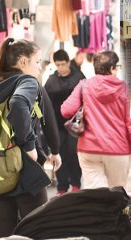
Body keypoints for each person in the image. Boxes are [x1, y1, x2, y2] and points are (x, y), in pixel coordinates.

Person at [0, 38, 60, 238]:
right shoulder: (27, 81)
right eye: (37, 62)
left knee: (3, 235)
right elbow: (18, 103)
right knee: (37, 230)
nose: (39, 68)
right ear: (23, 62)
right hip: (24, 169)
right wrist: (30, 146)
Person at [61, 51, 131, 189]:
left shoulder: (84, 85)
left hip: (89, 149)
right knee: (117, 194)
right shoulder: (126, 89)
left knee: (95, 196)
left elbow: (66, 110)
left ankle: (97, 210)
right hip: (118, 150)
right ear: (112, 68)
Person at [45, 49, 85, 195]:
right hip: (57, 125)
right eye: (58, 65)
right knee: (60, 154)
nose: (61, 67)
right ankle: (62, 187)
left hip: (76, 125)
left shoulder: (79, 77)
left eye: (63, 64)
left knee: (74, 154)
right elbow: (46, 104)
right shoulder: (51, 80)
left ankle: (76, 183)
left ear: (68, 62)